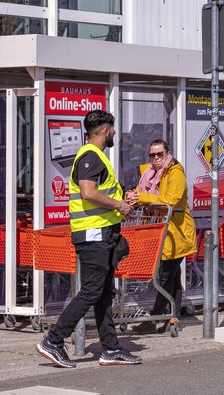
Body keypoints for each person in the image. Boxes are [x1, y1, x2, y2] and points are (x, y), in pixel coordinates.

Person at [37, 109, 140, 369]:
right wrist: (119, 204)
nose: (115, 133)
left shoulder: (95, 157)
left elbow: (98, 192)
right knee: (93, 290)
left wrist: (123, 201)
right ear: (105, 130)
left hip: (100, 233)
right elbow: (88, 192)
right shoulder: (91, 156)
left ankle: (111, 348)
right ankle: (53, 340)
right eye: (113, 128)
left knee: (104, 293)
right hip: (92, 235)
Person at [130, 138, 197, 333]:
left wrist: (140, 198)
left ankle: (154, 319)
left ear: (167, 154)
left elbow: (170, 200)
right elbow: (141, 191)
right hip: (162, 233)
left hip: (177, 234)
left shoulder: (175, 172)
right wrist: (131, 196)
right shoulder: (149, 174)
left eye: (160, 154)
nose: (156, 158)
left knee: (165, 276)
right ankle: (173, 318)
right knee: (173, 277)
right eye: (152, 154)